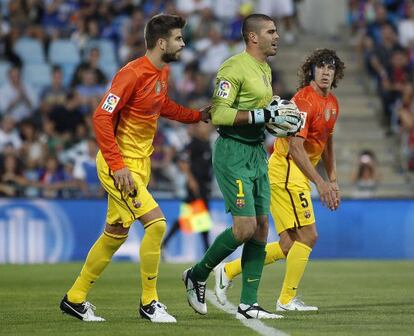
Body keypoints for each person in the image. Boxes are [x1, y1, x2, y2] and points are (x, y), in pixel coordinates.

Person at [60, 14, 209, 323]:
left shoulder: (162, 72)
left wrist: (195, 116)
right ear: (161, 42)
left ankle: (74, 299)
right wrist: (117, 166)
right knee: (157, 225)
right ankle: (149, 303)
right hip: (120, 165)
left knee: (115, 235)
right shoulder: (131, 74)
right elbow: (102, 116)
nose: (183, 43)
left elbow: (161, 105)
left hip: (140, 165)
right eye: (179, 38)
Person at [182, 13, 302, 320]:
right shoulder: (233, 67)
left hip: (256, 153)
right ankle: (197, 274)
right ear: (253, 37)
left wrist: (276, 118)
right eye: (271, 32)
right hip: (233, 152)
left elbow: (260, 110)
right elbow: (220, 114)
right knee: (245, 228)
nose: (277, 36)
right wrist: (264, 115)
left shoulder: (264, 68)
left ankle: (249, 303)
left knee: (262, 227)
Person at [214, 48, 345, 312]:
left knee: (289, 244)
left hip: (294, 173)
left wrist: (332, 177)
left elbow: (326, 140)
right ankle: (286, 300)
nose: (326, 72)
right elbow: (296, 148)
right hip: (286, 170)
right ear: (312, 71)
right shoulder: (304, 101)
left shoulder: (332, 103)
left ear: (336, 74)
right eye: (321, 67)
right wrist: (320, 183)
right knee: (309, 236)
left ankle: (227, 271)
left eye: (330, 68)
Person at [162, 122, 213, 254]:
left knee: (189, 219)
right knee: (202, 219)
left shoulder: (207, 143)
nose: (206, 127)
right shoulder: (194, 143)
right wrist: (191, 180)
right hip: (195, 186)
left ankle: (163, 244)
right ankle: (208, 251)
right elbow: (182, 161)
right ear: (197, 128)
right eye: (203, 125)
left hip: (204, 186)